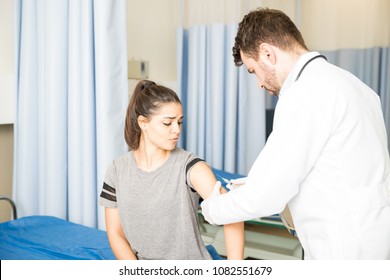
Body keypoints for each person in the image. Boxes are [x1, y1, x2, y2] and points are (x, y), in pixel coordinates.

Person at [201, 8, 390, 259]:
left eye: (252, 69)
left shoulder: (304, 93)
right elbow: (335, 166)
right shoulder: (357, 87)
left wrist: (211, 209)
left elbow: (266, 196)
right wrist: (251, 183)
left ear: (267, 53)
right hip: (374, 239)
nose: (258, 83)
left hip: (343, 248)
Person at [99, 80, 244, 260]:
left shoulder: (191, 167)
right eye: (168, 123)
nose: (176, 130)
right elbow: (115, 233)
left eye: (179, 122)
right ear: (143, 123)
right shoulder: (117, 170)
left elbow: (233, 213)